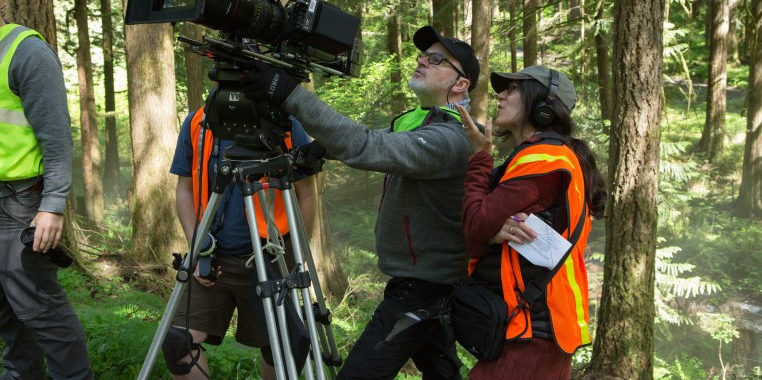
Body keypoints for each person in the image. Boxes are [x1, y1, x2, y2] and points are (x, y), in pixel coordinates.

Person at [242, 25, 481, 380]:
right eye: (422, 55)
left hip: (423, 289)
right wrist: (321, 148)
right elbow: (379, 136)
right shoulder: (423, 120)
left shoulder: (451, 137)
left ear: (460, 84)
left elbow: (368, 146)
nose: (421, 61)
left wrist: (290, 94)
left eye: (436, 60)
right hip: (423, 281)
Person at [454, 65, 606, 380]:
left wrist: (480, 157)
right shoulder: (549, 156)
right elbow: (483, 228)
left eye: (512, 89)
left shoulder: (543, 161)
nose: (501, 94)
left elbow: (475, 226)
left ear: (543, 104)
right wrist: (491, 233)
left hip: (534, 325)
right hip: (539, 322)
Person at [163, 102, 316, 380]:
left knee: (278, 348)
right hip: (213, 257)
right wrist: (196, 248)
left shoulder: (286, 121)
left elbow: (305, 193)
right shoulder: (199, 121)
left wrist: (295, 260)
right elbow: (184, 189)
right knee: (177, 343)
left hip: (271, 256)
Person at [0, 0, 94, 379]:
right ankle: (20, 374)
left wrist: (52, 206)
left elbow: (56, 140)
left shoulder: (27, 53)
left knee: (40, 307)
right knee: (7, 306)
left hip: (21, 204)